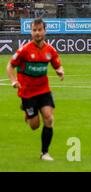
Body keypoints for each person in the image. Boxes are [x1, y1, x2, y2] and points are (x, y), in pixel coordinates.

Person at [6, 19, 65, 161]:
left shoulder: (50, 50)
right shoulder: (24, 50)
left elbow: (57, 65)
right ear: (31, 32)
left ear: (45, 31)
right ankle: (27, 111)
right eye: (34, 30)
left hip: (43, 90)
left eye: (39, 30)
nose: (37, 33)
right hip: (27, 93)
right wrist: (14, 81)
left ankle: (44, 153)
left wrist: (59, 71)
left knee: (49, 119)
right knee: (34, 125)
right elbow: (10, 66)